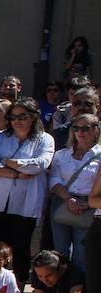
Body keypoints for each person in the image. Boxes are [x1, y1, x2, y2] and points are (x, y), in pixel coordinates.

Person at [0, 98, 54, 279]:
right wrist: (16, 173)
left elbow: (39, 165)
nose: (17, 121)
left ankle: (19, 291)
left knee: (21, 247)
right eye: (13, 117)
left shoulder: (45, 139)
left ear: (33, 117)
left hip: (26, 203)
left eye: (22, 116)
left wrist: (6, 162)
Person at [48, 113, 100, 271]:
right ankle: (60, 292)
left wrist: (84, 203)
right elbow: (54, 181)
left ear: (96, 131)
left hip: (88, 206)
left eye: (85, 128)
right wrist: (69, 199)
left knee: (81, 254)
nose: (80, 132)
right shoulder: (61, 154)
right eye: (76, 128)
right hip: (62, 202)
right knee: (60, 253)